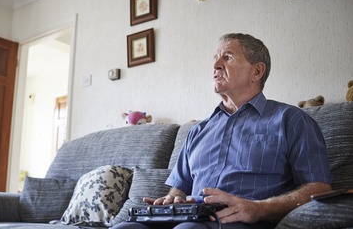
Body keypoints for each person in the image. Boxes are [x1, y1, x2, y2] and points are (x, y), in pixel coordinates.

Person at [113, 33, 332, 229]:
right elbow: (179, 188)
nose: (216, 65)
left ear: (257, 71)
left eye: (227, 57)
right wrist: (172, 201)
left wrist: (258, 208)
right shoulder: (199, 130)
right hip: (189, 218)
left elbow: (319, 188)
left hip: (240, 221)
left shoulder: (291, 120)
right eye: (215, 59)